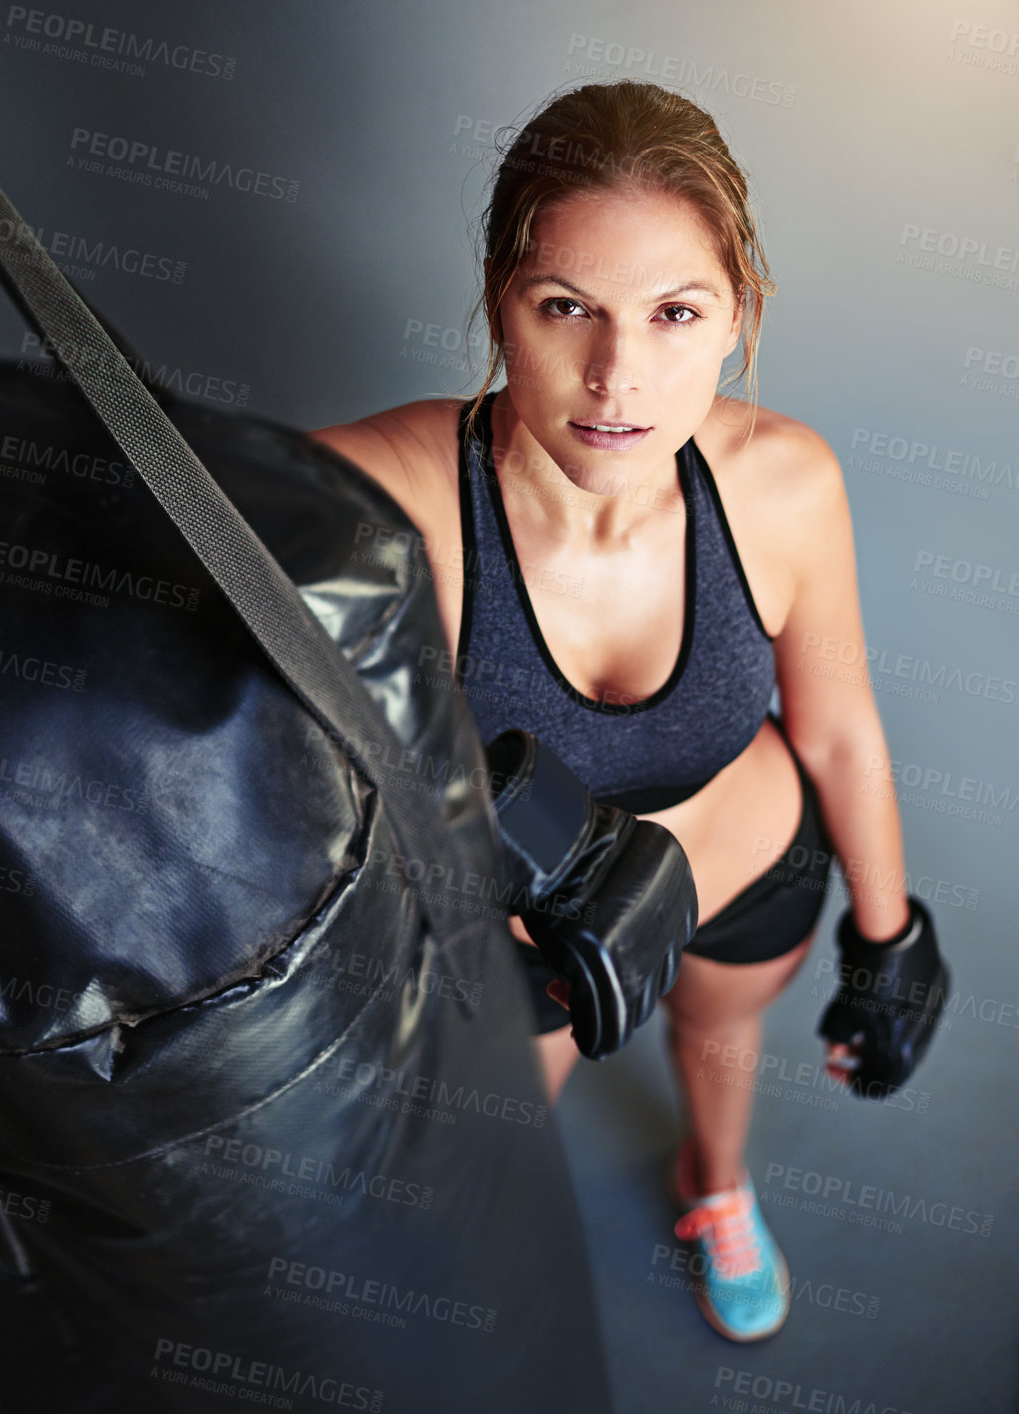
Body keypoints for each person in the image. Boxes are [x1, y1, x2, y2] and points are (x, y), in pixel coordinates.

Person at [307, 79, 915, 1343]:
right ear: (498, 303)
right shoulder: (397, 488)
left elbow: (841, 726)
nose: (614, 377)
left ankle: (715, 1184)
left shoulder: (786, 484)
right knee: (487, 1148)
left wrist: (887, 936)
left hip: (744, 866)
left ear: (736, 313)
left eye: (673, 313)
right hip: (519, 926)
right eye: (564, 307)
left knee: (719, 1040)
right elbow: (134, 539)